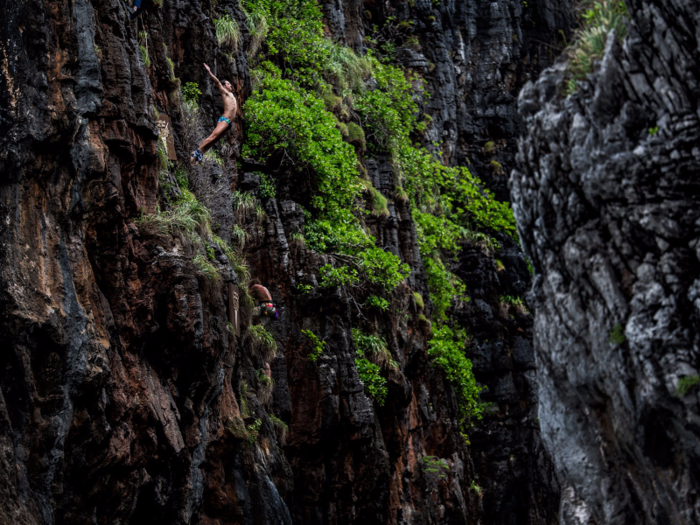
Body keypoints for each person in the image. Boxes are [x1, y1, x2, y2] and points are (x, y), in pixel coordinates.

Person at [190, 63, 238, 165]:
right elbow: (217, 82)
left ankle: (201, 153)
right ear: (224, 86)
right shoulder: (224, 92)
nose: (230, 85)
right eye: (228, 84)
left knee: (214, 141)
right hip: (224, 120)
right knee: (212, 137)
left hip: (229, 123)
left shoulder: (232, 94)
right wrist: (209, 72)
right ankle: (196, 152)